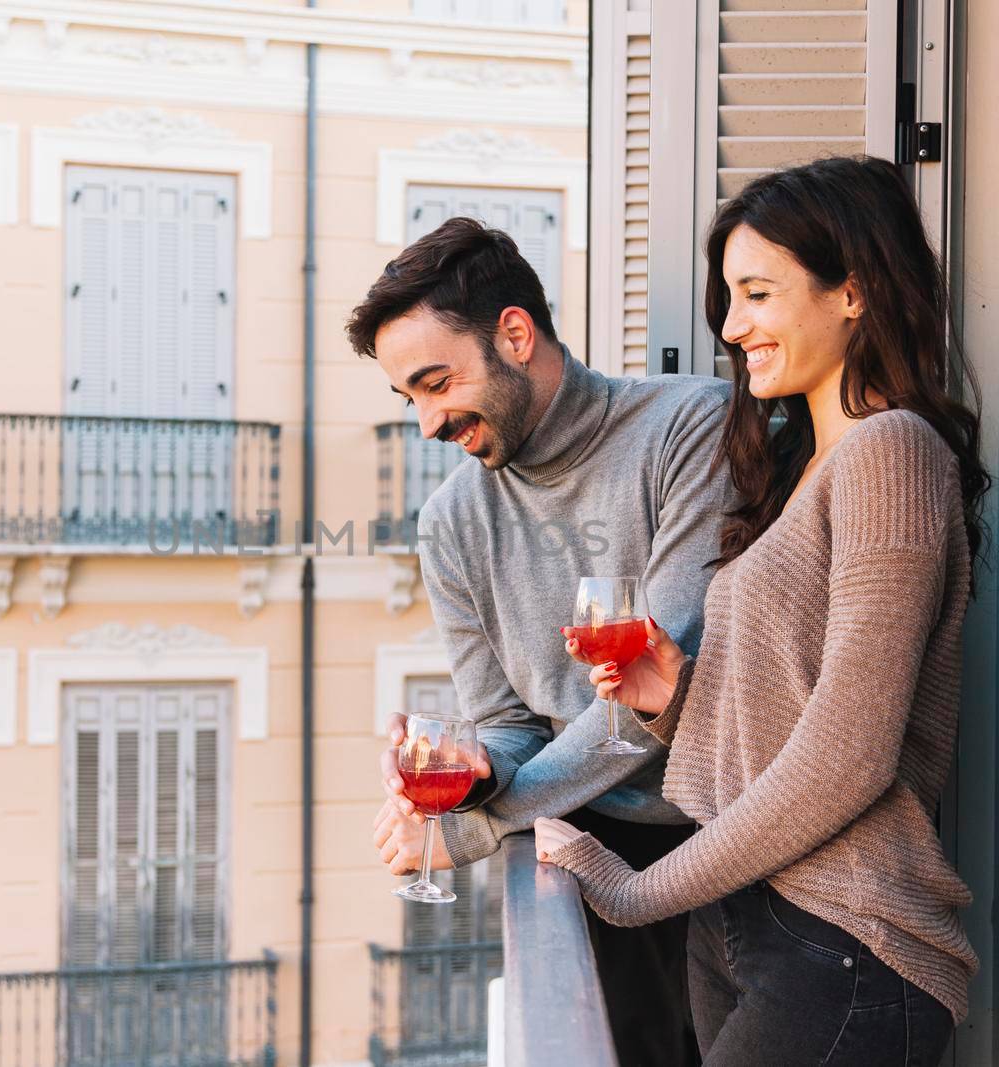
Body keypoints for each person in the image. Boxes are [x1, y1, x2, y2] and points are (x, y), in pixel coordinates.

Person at [536, 155, 989, 1066]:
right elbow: (799, 715)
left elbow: (851, 752)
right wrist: (680, 699)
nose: (733, 325)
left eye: (757, 293)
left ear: (852, 292)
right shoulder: (807, 471)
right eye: (730, 298)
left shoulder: (891, 453)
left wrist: (632, 891)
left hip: (845, 937)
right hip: (750, 915)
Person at [349, 216, 736, 1065]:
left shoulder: (689, 427)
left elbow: (651, 695)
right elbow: (504, 720)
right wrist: (475, 770)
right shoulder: (450, 522)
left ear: (514, 335)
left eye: (435, 382)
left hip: (732, 845)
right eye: (407, 396)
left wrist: (469, 829)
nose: (425, 423)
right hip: (588, 855)